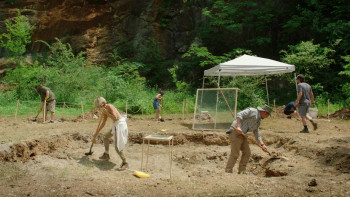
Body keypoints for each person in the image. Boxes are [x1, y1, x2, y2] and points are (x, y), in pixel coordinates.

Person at [225, 105, 272, 174]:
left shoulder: (258, 122)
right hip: (235, 132)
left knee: (247, 153)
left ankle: (242, 171)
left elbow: (257, 134)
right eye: (267, 115)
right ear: (265, 112)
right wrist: (238, 127)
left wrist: (262, 144)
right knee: (235, 154)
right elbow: (239, 114)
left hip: (242, 135)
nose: (267, 117)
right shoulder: (253, 111)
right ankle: (228, 171)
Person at [94, 97, 129, 170]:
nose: (98, 108)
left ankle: (125, 162)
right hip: (116, 124)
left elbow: (115, 118)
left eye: (98, 106)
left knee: (117, 147)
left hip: (120, 124)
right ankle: (106, 154)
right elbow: (103, 122)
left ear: (101, 104)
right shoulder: (104, 109)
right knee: (105, 137)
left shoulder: (109, 106)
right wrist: (97, 131)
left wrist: (107, 113)